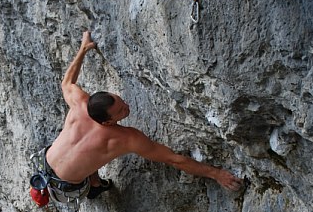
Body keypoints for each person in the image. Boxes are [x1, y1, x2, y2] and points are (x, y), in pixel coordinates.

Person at [44, 31, 244, 199]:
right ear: (108, 122)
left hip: (47, 162)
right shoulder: (125, 138)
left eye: (121, 101)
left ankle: (93, 179)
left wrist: (83, 49)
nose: (127, 107)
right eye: (122, 111)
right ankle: (93, 186)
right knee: (92, 157)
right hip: (68, 187)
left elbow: (67, 83)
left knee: (89, 152)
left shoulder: (79, 104)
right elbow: (174, 159)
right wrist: (216, 174)